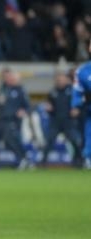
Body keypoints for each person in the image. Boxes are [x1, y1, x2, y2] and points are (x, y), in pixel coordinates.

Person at [0, 68, 32, 169]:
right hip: (1, 120)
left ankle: (23, 159)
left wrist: (23, 111)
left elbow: (27, 106)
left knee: (10, 140)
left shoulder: (20, 91)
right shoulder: (1, 89)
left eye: (11, 78)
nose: (9, 80)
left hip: (12, 120)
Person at [42, 72, 82, 167]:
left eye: (61, 79)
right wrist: (49, 108)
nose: (59, 81)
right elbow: (49, 105)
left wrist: (77, 109)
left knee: (74, 141)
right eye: (57, 80)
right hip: (56, 121)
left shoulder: (72, 91)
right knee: (49, 140)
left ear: (66, 79)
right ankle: (43, 161)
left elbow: (79, 103)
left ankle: (79, 160)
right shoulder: (53, 92)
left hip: (68, 120)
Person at [71, 40, 91, 169]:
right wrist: (76, 105)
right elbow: (77, 92)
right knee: (89, 135)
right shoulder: (82, 71)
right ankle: (88, 159)